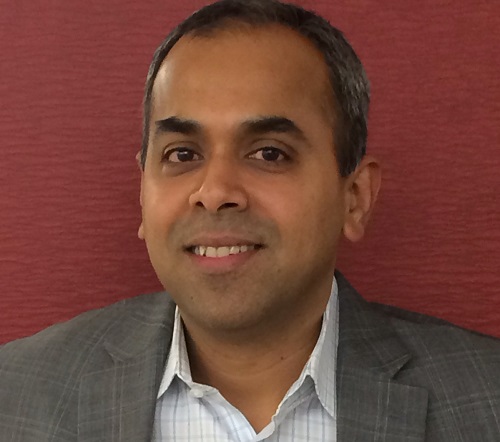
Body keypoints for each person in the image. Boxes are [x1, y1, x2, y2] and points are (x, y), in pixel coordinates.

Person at [1, 0, 499, 440]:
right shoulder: (15, 395)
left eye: (269, 153)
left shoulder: (486, 400)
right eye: (182, 154)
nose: (215, 192)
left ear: (355, 198)